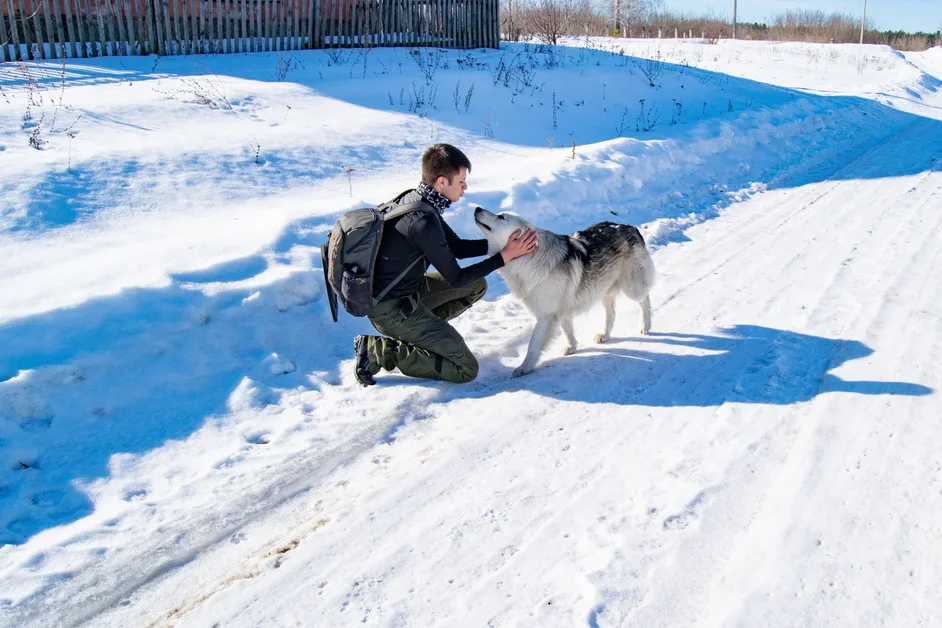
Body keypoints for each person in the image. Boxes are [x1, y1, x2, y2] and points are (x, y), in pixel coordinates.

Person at [353, 144, 537, 386]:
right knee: (465, 369)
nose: (465, 187)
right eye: (461, 181)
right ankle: (379, 350)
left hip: (409, 293)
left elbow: (457, 248)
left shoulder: (418, 200)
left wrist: (503, 246)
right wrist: (504, 257)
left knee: (477, 285)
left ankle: (425, 337)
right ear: (442, 182)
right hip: (391, 310)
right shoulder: (422, 221)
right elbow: (457, 278)